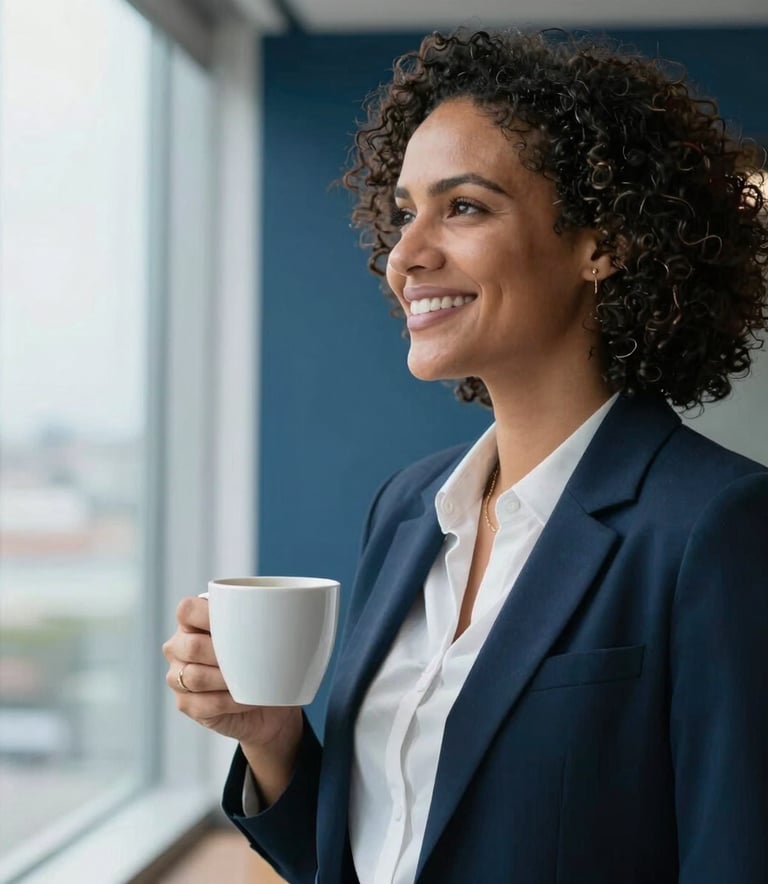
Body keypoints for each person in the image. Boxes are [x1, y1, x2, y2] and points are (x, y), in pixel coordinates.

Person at [163, 28, 768, 884]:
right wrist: (274, 738)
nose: (407, 255)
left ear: (604, 243)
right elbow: (373, 852)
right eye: (406, 210)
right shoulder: (409, 510)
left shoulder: (718, 525)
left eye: (466, 207)